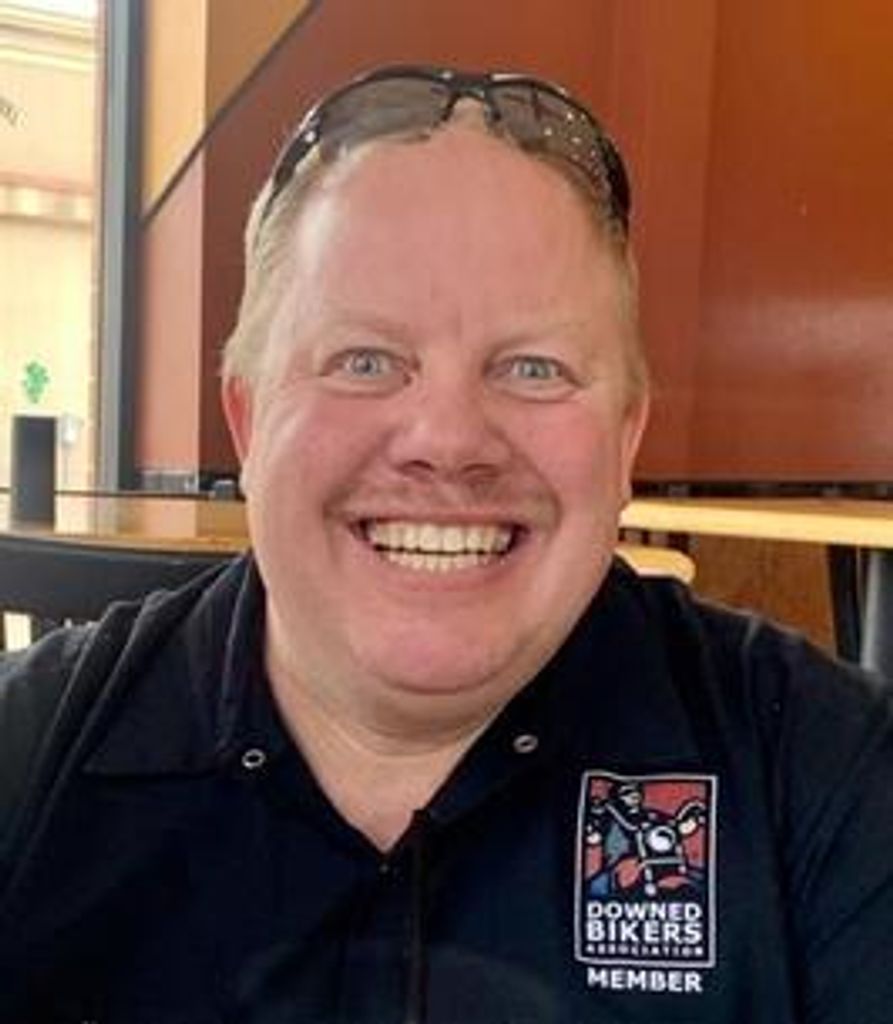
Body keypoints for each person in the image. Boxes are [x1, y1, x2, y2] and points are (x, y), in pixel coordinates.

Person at [0, 64, 891, 1024]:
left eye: (534, 368)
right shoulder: (24, 760)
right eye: (365, 360)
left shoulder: (828, 775)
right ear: (248, 422)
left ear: (626, 436)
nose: (448, 438)